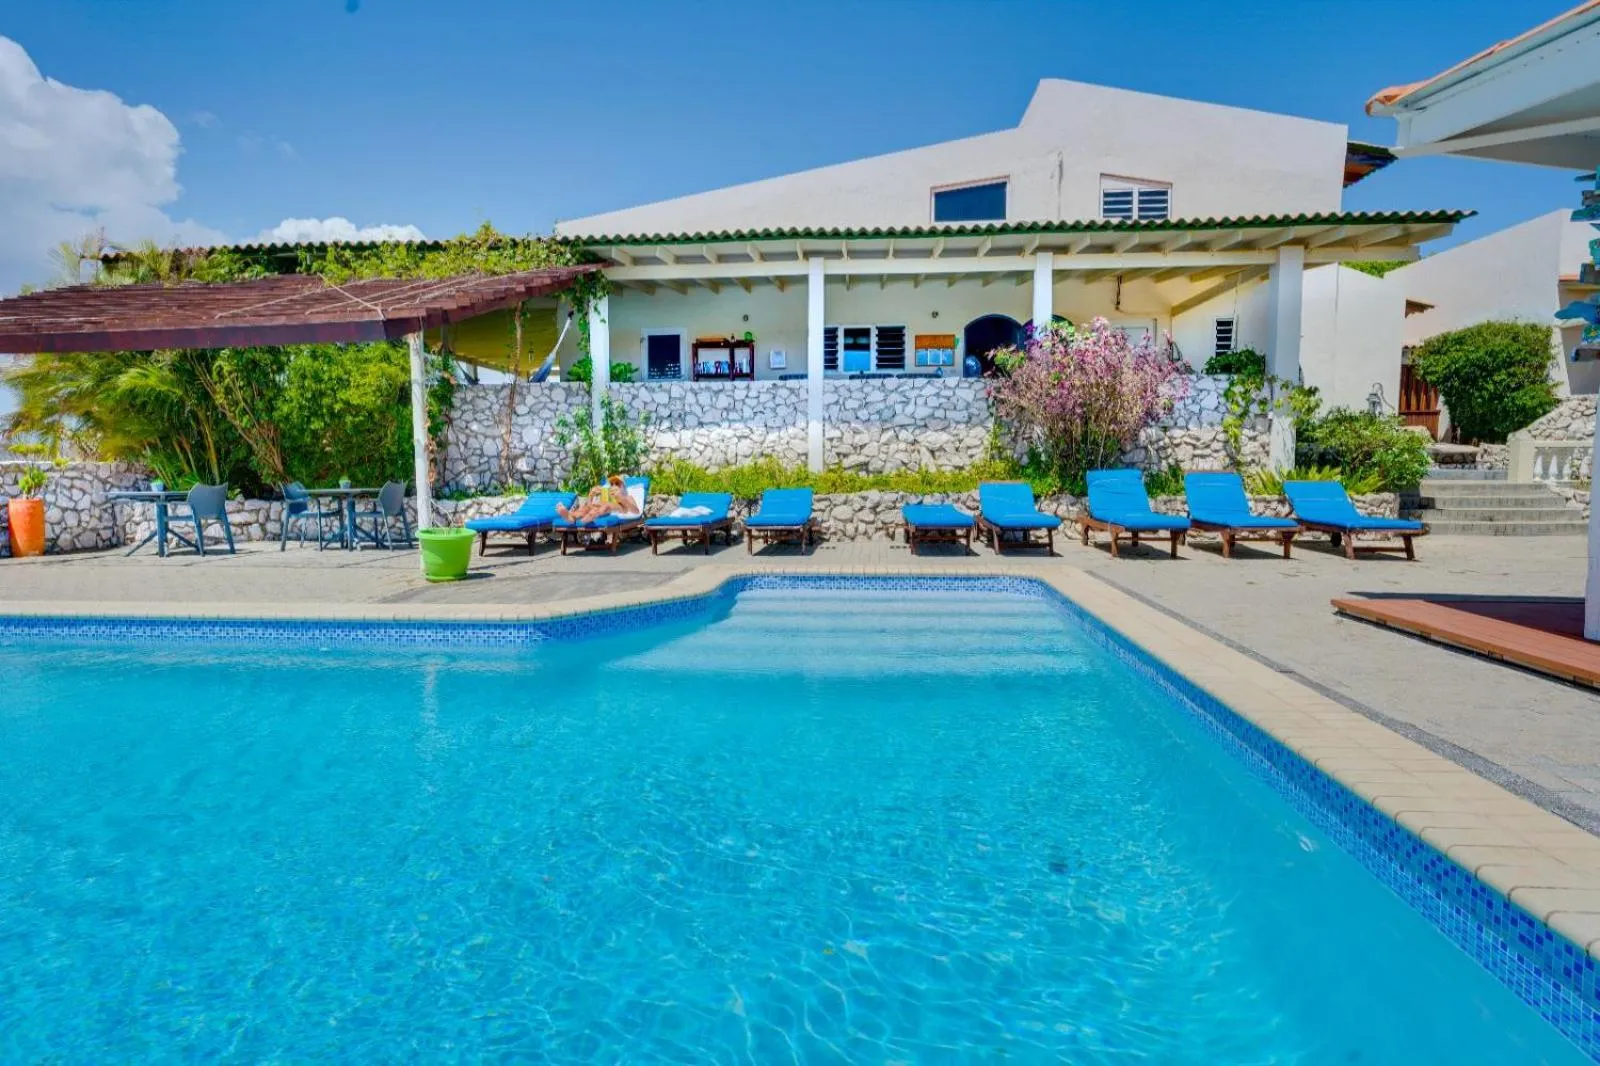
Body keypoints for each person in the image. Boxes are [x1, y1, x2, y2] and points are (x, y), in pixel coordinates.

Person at [557, 474, 639, 523]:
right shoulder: (606, 494)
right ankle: (571, 517)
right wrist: (591, 495)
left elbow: (636, 511)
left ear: (623, 486)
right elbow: (590, 505)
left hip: (609, 510)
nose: (614, 485)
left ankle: (589, 516)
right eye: (611, 484)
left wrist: (621, 498)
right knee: (586, 508)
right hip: (597, 509)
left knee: (606, 506)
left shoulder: (628, 497)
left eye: (617, 483)